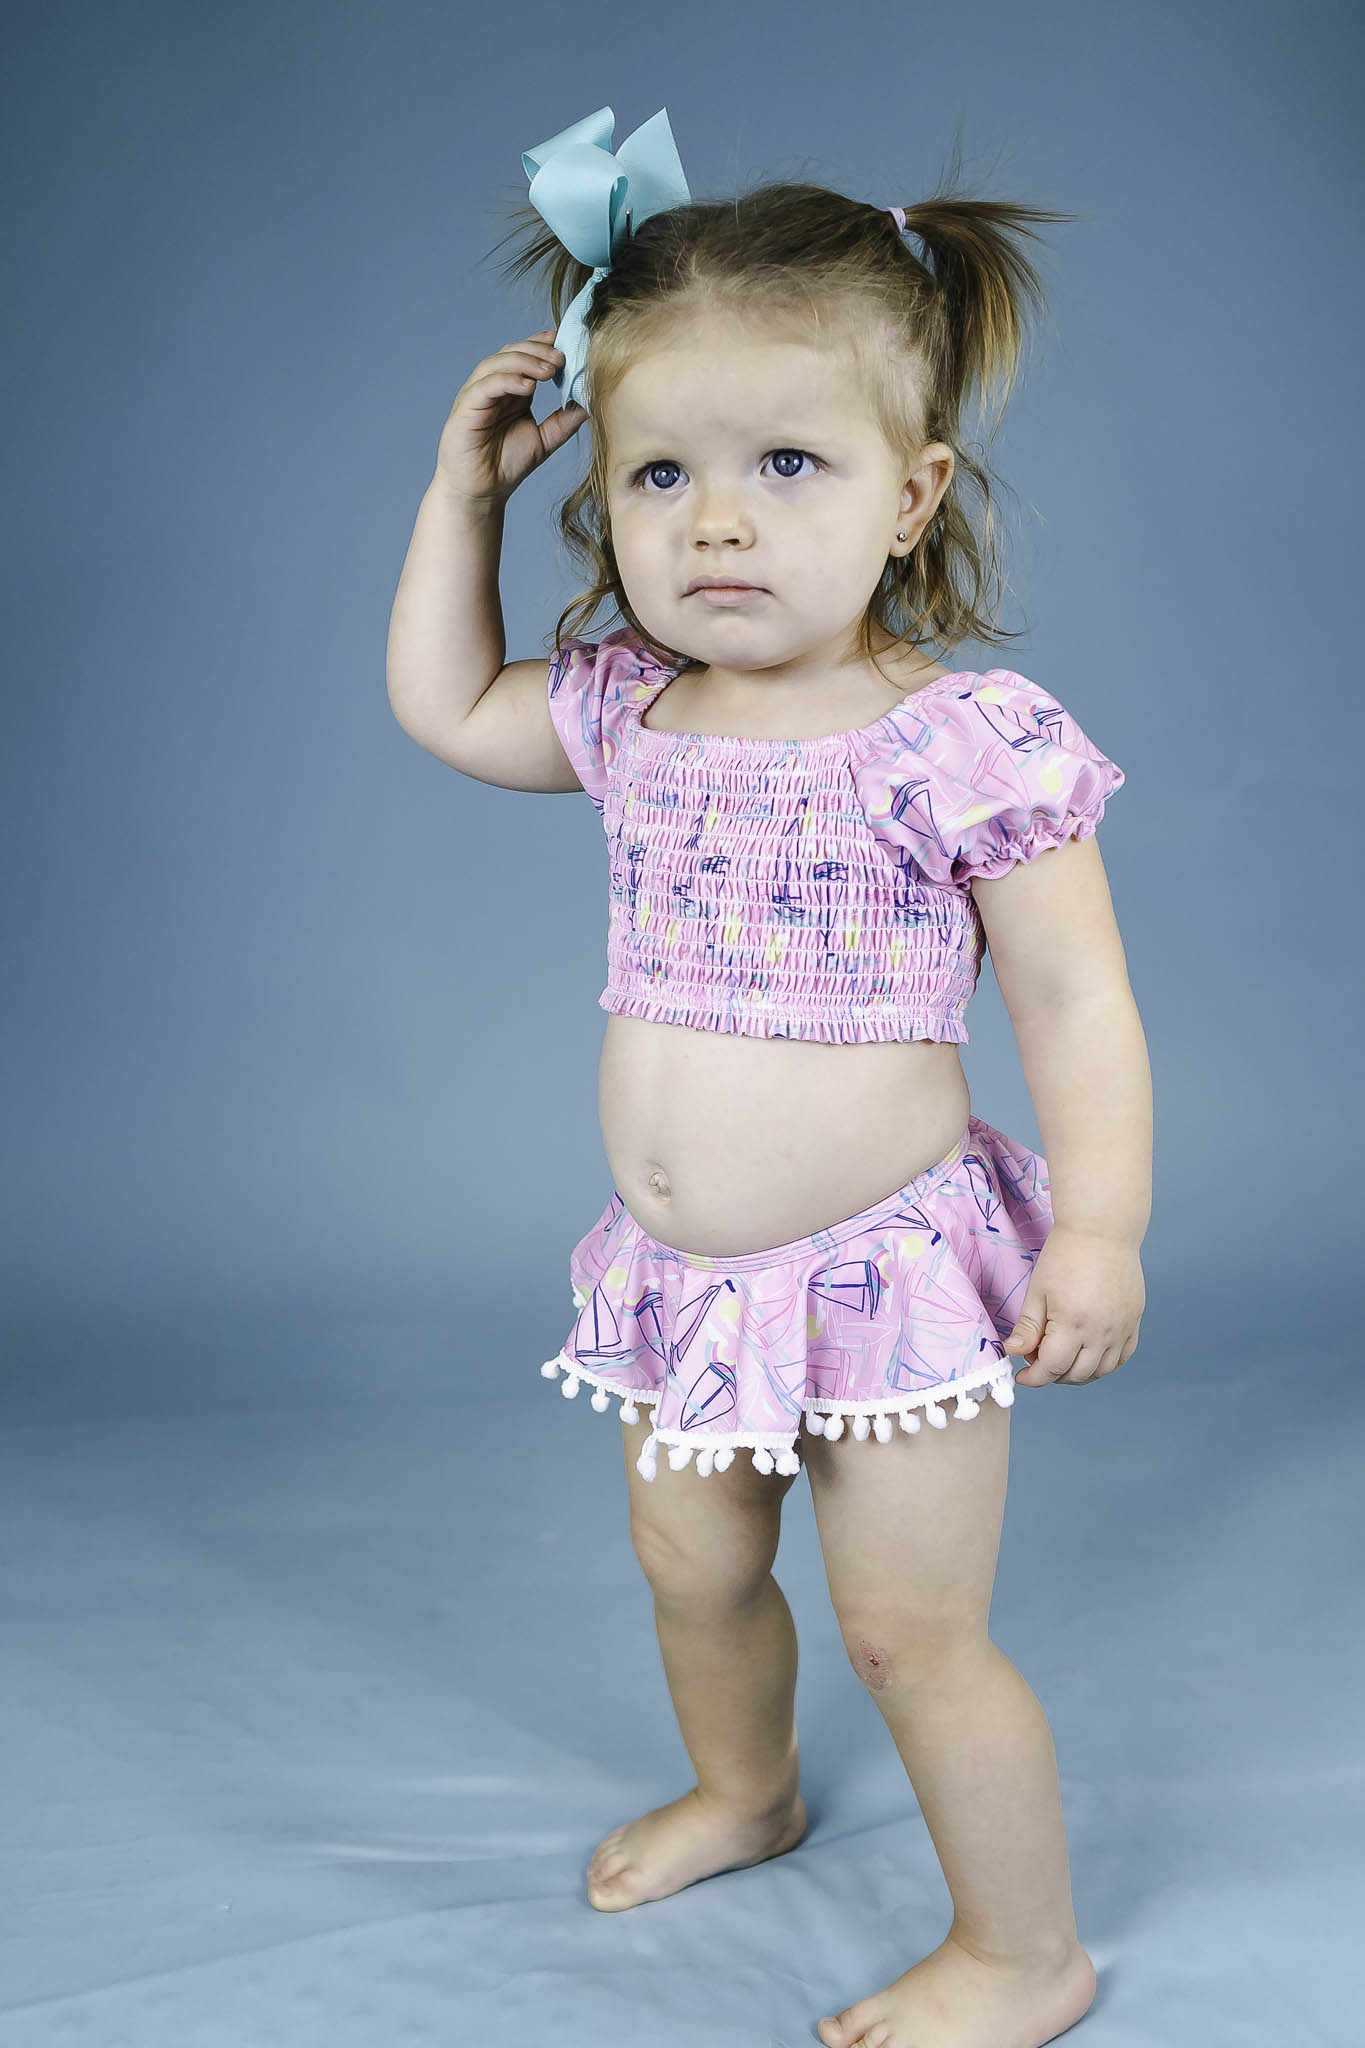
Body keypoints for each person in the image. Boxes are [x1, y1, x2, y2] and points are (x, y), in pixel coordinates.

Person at [386, 105, 1151, 2048]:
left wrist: (1101, 1230)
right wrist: (461, 502)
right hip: (680, 1283)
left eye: (784, 464)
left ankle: (1022, 1951)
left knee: (909, 1634)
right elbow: (446, 707)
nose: (714, 520)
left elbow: (1074, 1001)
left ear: (910, 493)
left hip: (882, 1272)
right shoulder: (633, 711)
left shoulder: (954, 742)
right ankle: (747, 1790)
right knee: (690, 1569)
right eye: (660, 472)